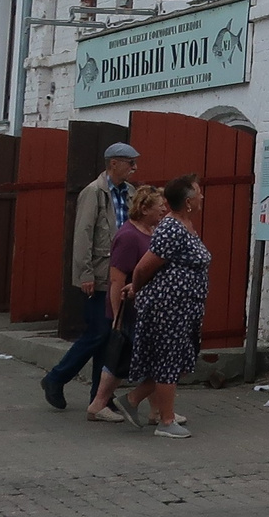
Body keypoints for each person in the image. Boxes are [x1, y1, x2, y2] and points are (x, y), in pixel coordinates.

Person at [45, 141, 141, 412]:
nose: (134, 167)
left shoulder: (131, 192)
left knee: (109, 336)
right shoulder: (94, 192)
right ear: (113, 163)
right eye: (129, 162)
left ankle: (98, 399)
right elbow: (83, 234)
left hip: (123, 274)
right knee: (99, 332)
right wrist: (84, 272)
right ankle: (56, 377)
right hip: (100, 273)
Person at [123, 173, 211, 440]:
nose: (202, 197)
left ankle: (131, 400)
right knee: (169, 360)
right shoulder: (171, 228)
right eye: (198, 193)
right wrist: (136, 288)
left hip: (184, 308)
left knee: (180, 360)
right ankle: (166, 421)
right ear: (187, 202)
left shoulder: (186, 226)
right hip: (168, 307)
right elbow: (143, 267)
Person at [90, 184, 165, 423]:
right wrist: (117, 317)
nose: (164, 210)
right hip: (129, 311)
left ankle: (157, 411)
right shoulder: (129, 236)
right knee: (120, 358)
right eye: (159, 206)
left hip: (145, 309)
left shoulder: (150, 231)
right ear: (144, 209)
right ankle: (98, 404)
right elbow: (116, 279)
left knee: (152, 359)